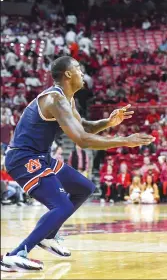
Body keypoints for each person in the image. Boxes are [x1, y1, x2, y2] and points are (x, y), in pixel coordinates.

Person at [1, 56, 155, 272]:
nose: (83, 73)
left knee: (84, 188)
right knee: (61, 205)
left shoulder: (67, 99)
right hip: (23, 158)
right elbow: (82, 140)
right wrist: (125, 141)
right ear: (68, 74)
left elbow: (83, 127)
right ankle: (16, 254)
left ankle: (48, 236)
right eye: (79, 69)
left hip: (40, 156)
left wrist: (109, 123)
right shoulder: (54, 99)